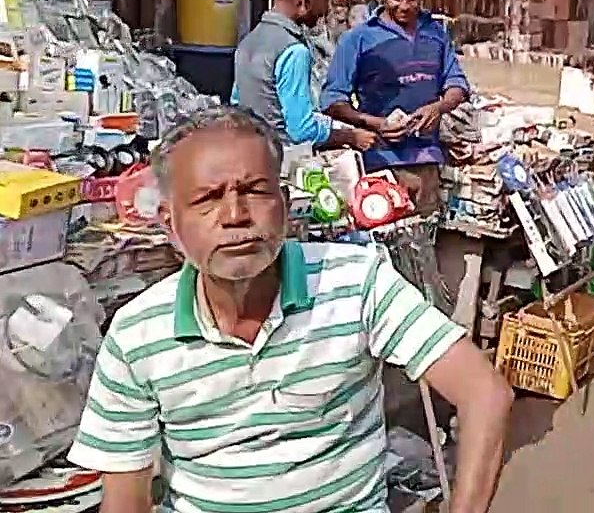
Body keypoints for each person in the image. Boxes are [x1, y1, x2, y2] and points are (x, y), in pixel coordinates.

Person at [67, 106, 513, 513]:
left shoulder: (355, 281)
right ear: (169, 223)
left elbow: (484, 394)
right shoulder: (136, 335)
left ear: (283, 203)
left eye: (254, 191)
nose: (235, 215)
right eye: (207, 199)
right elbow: (125, 498)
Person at [321, 0, 471, 216]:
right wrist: (374, 122)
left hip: (427, 160)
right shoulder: (358, 39)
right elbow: (333, 101)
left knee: (423, 240)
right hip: (380, 162)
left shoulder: (436, 33)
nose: (404, 5)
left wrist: (438, 107)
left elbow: (457, 84)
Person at [231, 0, 376, 151]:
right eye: (326, 0)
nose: (326, 10)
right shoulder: (293, 50)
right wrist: (349, 136)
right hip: (280, 158)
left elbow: (237, 104)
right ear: (306, 1)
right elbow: (301, 129)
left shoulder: (250, 41)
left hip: (250, 152)